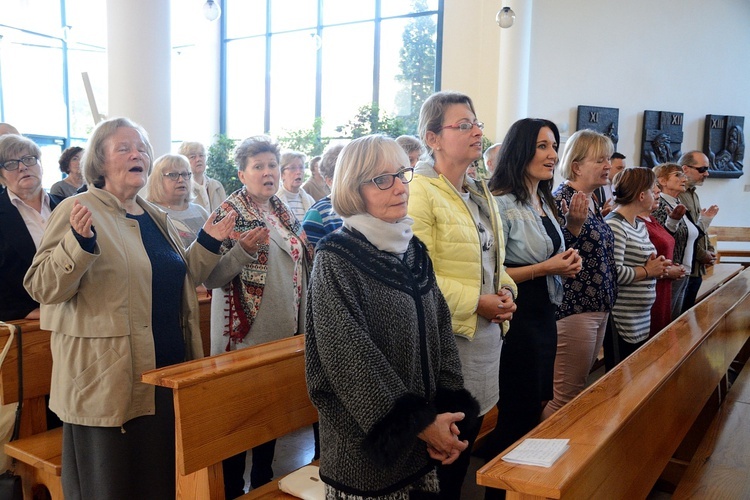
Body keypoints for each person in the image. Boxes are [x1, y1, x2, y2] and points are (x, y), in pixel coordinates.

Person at [23, 117, 234, 499]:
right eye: (124, 148)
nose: (137, 154)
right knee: (112, 486)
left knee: (157, 484)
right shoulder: (78, 208)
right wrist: (78, 243)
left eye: (142, 148)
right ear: (100, 162)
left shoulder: (152, 214)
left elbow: (178, 277)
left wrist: (209, 241)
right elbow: (40, 286)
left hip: (163, 375)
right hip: (108, 381)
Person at [306, 134, 479, 499]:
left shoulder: (412, 249)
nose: (400, 187)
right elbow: (350, 361)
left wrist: (446, 412)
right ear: (355, 189)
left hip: (419, 445)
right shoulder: (336, 258)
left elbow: (441, 330)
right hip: (367, 455)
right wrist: (418, 423)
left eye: (403, 173)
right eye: (383, 179)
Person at [408, 91, 517, 499]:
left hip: (486, 339)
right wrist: (477, 301)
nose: (476, 131)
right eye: (463, 125)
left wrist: (506, 289)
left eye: (477, 123)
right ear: (433, 138)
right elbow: (420, 271)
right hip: (450, 341)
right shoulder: (421, 191)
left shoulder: (477, 189)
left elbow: (492, 260)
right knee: (443, 458)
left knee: (467, 439)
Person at [204, 135, 313, 497]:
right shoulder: (227, 212)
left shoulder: (281, 209)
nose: (267, 173)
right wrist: (241, 253)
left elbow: (298, 263)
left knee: (269, 422)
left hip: (282, 333)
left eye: (271, 166)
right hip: (243, 336)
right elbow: (211, 276)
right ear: (242, 174)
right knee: (240, 424)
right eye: (258, 167)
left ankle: (263, 485)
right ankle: (234, 490)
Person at [482, 119, 582, 474]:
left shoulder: (543, 200)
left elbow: (548, 255)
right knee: (517, 410)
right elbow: (493, 274)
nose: (552, 154)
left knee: (537, 402)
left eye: (554, 146)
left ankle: (515, 484)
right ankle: (501, 488)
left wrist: (565, 262)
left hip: (544, 314)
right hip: (517, 317)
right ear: (520, 149)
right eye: (542, 146)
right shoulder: (500, 202)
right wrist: (546, 268)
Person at [545, 129, 617, 409]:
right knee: (565, 397)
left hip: (597, 306)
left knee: (577, 391)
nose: (607, 166)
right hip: (575, 308)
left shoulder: (591, 201)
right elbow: (555, 256)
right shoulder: (562, 199)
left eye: (608, 159)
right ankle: (538, 451)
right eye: (600, 160)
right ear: (576, 166)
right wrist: (572, 228)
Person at [605, 168, 671, 364]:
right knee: (620, 382)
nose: (656, 194)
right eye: (653, 190)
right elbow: (613, 273)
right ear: (642, 196)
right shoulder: (615, 225)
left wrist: (657, 268)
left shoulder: (639, 225)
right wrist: (648, 271)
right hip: (622, 318)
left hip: (641, 318)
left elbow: (643, 264)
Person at [0, 134, 62, 321]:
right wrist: (22, 312)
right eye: (11, 163)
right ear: (1, 176)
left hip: (77, 314)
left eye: (29, 159)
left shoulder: (67, 206)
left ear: (40, 165)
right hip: (28, 320)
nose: (22, 167)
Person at [651, 163, 698, 319]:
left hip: (683, 271)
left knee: (675, 320)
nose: (684, 178)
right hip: (670, 272)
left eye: (683, 175)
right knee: (666, 320)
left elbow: (690, 233)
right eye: (678, 175)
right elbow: (660, 238)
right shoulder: (659, 205)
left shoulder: (677, 204)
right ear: (662, 181)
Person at [639, 179, 683, 336]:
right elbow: (641, 260)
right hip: (648, 290)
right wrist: (668, 270)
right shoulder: (636, 223)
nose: (658, 191)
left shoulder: (652, 219)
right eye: (653, 188)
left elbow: (662, 246)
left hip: (662, 288)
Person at [678, 151, 719, 312]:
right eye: (702, 169)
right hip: (687, 267)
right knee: (679, 319)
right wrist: (703, 255)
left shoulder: (692, 194)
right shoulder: (679, 195)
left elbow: (699, 227)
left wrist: (709, 249)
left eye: (707, 169)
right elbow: (683, 235)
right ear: (685, 169)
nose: (706, 173)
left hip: (696, 269)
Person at [146, 153, 210, 247]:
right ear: (157, 180)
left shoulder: (200, 211)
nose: (181, 179)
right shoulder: (150, 213)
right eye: (173, 175)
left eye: (185, 174)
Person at [301, 143, 344, 248]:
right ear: (330, 181)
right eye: (345, 175)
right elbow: (311, 258)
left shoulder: (366, 206)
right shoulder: (318, 214)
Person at [178, 141, 227, 212]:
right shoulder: (183, 188)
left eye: (201, 155)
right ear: (183, 162)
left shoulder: (217, 186)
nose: (198, 159)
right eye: (192, 157)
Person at [275, 150, 315, 222]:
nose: (298, 172)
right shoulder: (274, 201)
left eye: (301, 167)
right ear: (282, 174)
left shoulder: (310, 201)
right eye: (293, 168)